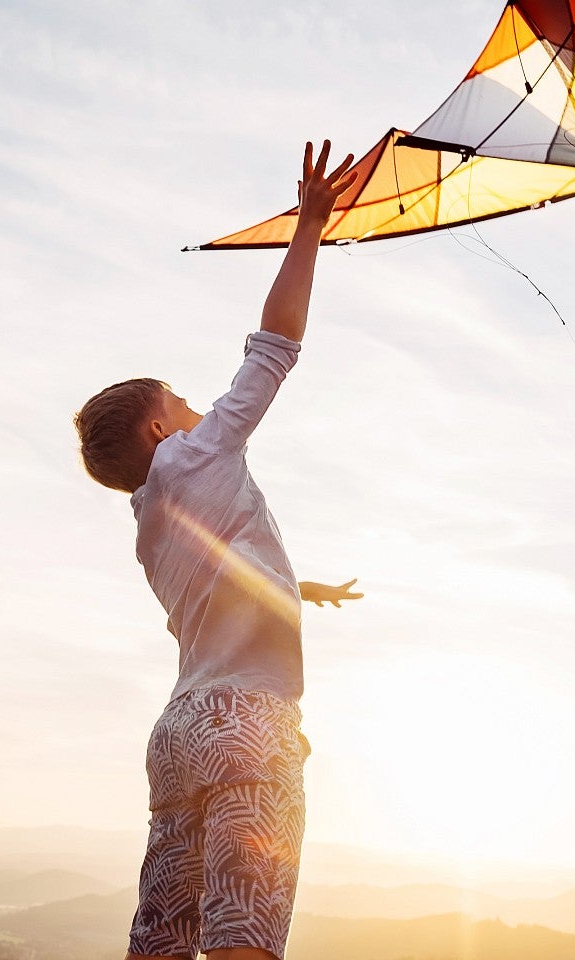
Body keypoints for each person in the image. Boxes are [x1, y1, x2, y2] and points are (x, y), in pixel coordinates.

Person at [73, 140, 362, 960]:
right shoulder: (196, 457)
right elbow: (275, 345)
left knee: (162, 936)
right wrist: (309, 225)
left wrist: (302, 589)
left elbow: (228, 578)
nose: (202, 408)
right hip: (246, 722)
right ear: (161, 429)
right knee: (243, 931)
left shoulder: (149, 522)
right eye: (184, 402)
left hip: (178, 735)